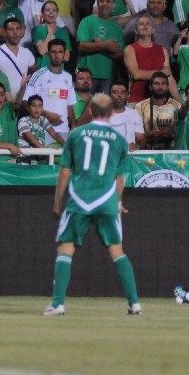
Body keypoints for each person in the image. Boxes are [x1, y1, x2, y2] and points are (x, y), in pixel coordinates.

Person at [45, 93, 141, 316]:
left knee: (65, 249)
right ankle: (134, 303)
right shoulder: (119, 140)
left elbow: (64, 173)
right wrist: (117, 202)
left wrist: (58, 203)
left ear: (90, 111)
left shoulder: (76, 134)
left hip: (79, 199)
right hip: (106, 200)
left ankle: (58, 304)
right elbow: (119, 178)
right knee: (117, 251)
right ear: (110, 113)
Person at [22, 39, 75, 141]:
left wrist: (73, 125)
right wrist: (47, 115)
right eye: (53, 52)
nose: (57, 55)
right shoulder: (39, 75)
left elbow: (70, 105)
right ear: (48, 54)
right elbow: (25, 103)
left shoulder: (68, 77)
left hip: (63, 130)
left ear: (64, 54)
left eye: (60, 52)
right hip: (42, 129)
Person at [76, 0, 124, 95]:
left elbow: (119, 54)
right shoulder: (86, 21)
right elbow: (81, 46)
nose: (104, 4)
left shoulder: (117, 28)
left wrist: (99, 44)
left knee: (104, 108)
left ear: (113, 5)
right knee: (84, 106)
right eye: (101, 1)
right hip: (86, 74)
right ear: (97, 3)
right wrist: (105, 45)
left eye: (108, 1)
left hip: (109, 76)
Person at [109, 82, 145, 150]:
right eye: (115, 92)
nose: (119, 95)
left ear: (127, 95)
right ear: (109, 95)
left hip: (128, 155)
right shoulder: (102, 113)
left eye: (122, 92)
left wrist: (136, 146)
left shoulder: (134, 113)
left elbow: (141, 139)